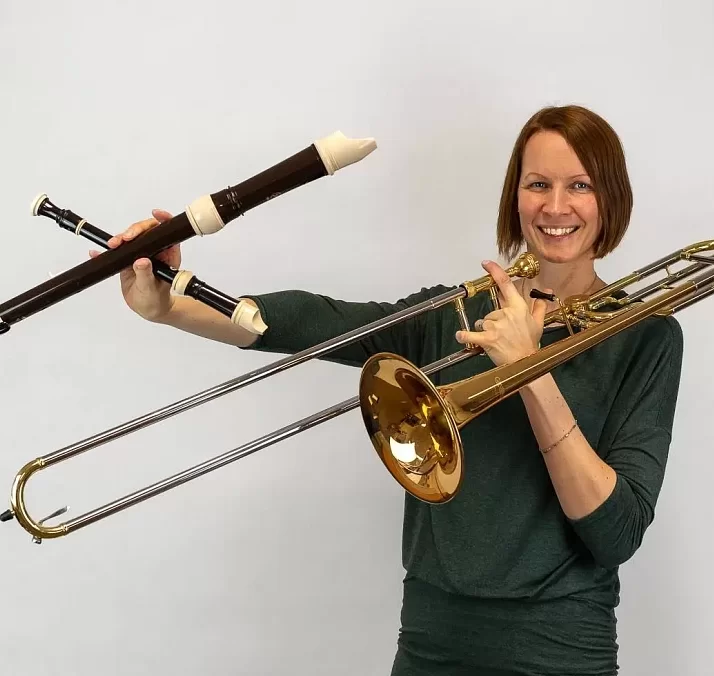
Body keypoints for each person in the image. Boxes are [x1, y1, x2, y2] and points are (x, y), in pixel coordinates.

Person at [94, 105, 684, 675]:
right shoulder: (453, 313)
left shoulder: (647, 336)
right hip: (431, 644)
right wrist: (167, 305)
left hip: (561, 651)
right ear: (515, 197)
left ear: (610, 197)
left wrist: (530, 370)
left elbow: (615, 533)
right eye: (538, 184)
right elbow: (317, 322)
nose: (556, 206)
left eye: (580, 185)